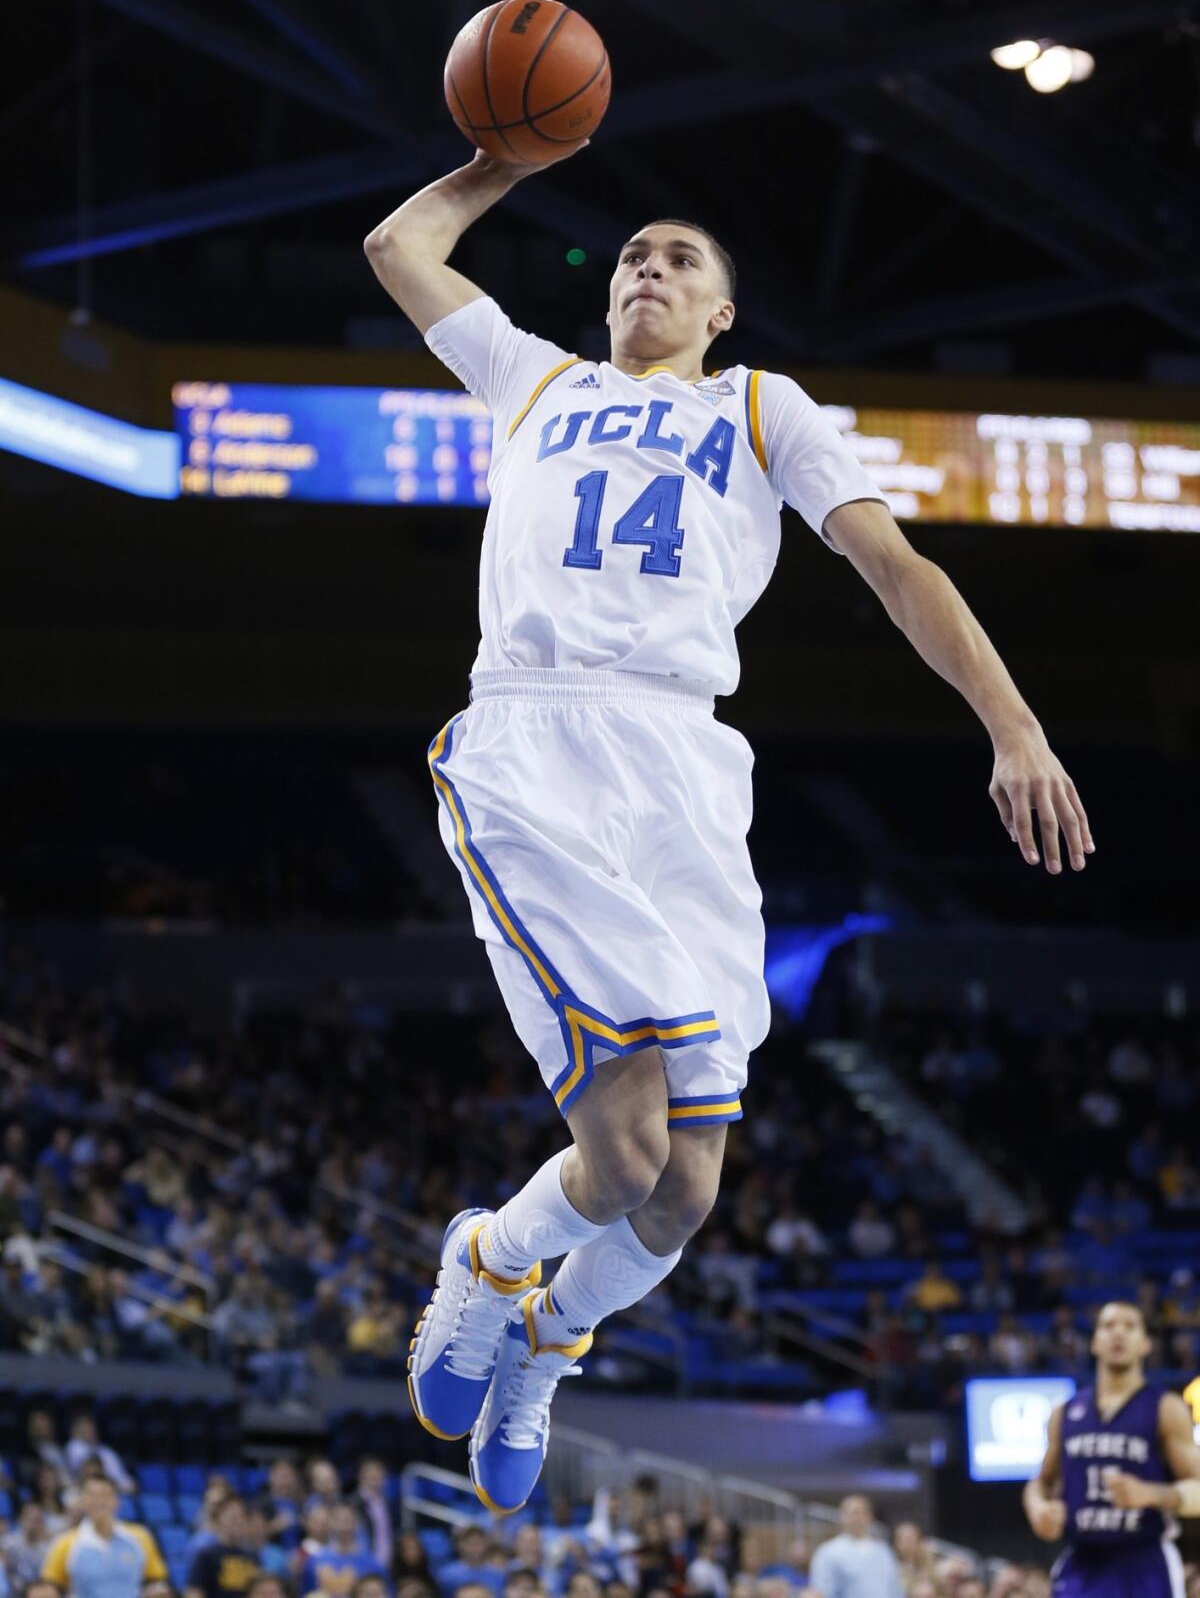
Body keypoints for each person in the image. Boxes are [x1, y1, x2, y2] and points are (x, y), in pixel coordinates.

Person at [365, 145, 1095, 1514]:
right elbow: (400, 254)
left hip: (688, 766)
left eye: (680, 259)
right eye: (632, 256)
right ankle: (489, 1259)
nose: (648, 267)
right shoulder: (538, 380)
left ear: (722, 315)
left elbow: (897, 565)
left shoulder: (765, 409)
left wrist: (1016, 725)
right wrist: (496, 159)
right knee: (625, 1147)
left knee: (684, 1188)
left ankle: (548, 1336)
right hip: (541, 736)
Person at [1023, 1299, 1200, 1594]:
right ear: (1094, 1342)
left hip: (1143, 1561)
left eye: (1129, 1326)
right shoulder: (1065, 1412)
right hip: (1083, 1560)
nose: (1118, 1333)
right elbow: (1040, 1483)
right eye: (1108, 1326)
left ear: (1145, 1344)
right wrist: (1038, 1508)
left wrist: (1152, 1493)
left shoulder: (1165, 1408)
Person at [42, 1474, 167, 1598]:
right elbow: (49, 1589)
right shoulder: (64, 1543)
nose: (99, 1501)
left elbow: (156, 1581)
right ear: (83, 1500)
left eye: (104, 1495)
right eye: (92, 1495)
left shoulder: (141, 1537)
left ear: (116, 1500)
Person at [807, 1497, 902, 1598]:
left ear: (870, 1517)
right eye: (852, 1513)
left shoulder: (883, 1551)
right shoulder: (828, 1552)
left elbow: (895, 1588)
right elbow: (821, 1592)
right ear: (841, 1517)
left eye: (861, 1513)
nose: (856, 1519)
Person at [184, 1495, 262, 1598]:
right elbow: (194, 1592)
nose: (237, 1523)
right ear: (219, 1519)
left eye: (242, 1517)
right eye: (233, 1518)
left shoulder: (253, 1556)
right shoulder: (206, 1556)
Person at [301, 1503, 384, 1598]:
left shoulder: (372, 1564)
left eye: (348, 1520)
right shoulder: (314, 1561)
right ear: (331, 1522)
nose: (343, 1526)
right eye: (339, 1520)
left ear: (356, 1523)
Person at [62, 1418, 135, 1494]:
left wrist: (127, 1484)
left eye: (92, 1429)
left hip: (111, 1486)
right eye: (85, 1430)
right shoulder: (73, 1446)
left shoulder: (107, 1451)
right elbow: (82, 1472)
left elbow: (121, 1476)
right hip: (84, 1487)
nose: (90, 1433)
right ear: (76, 1432)